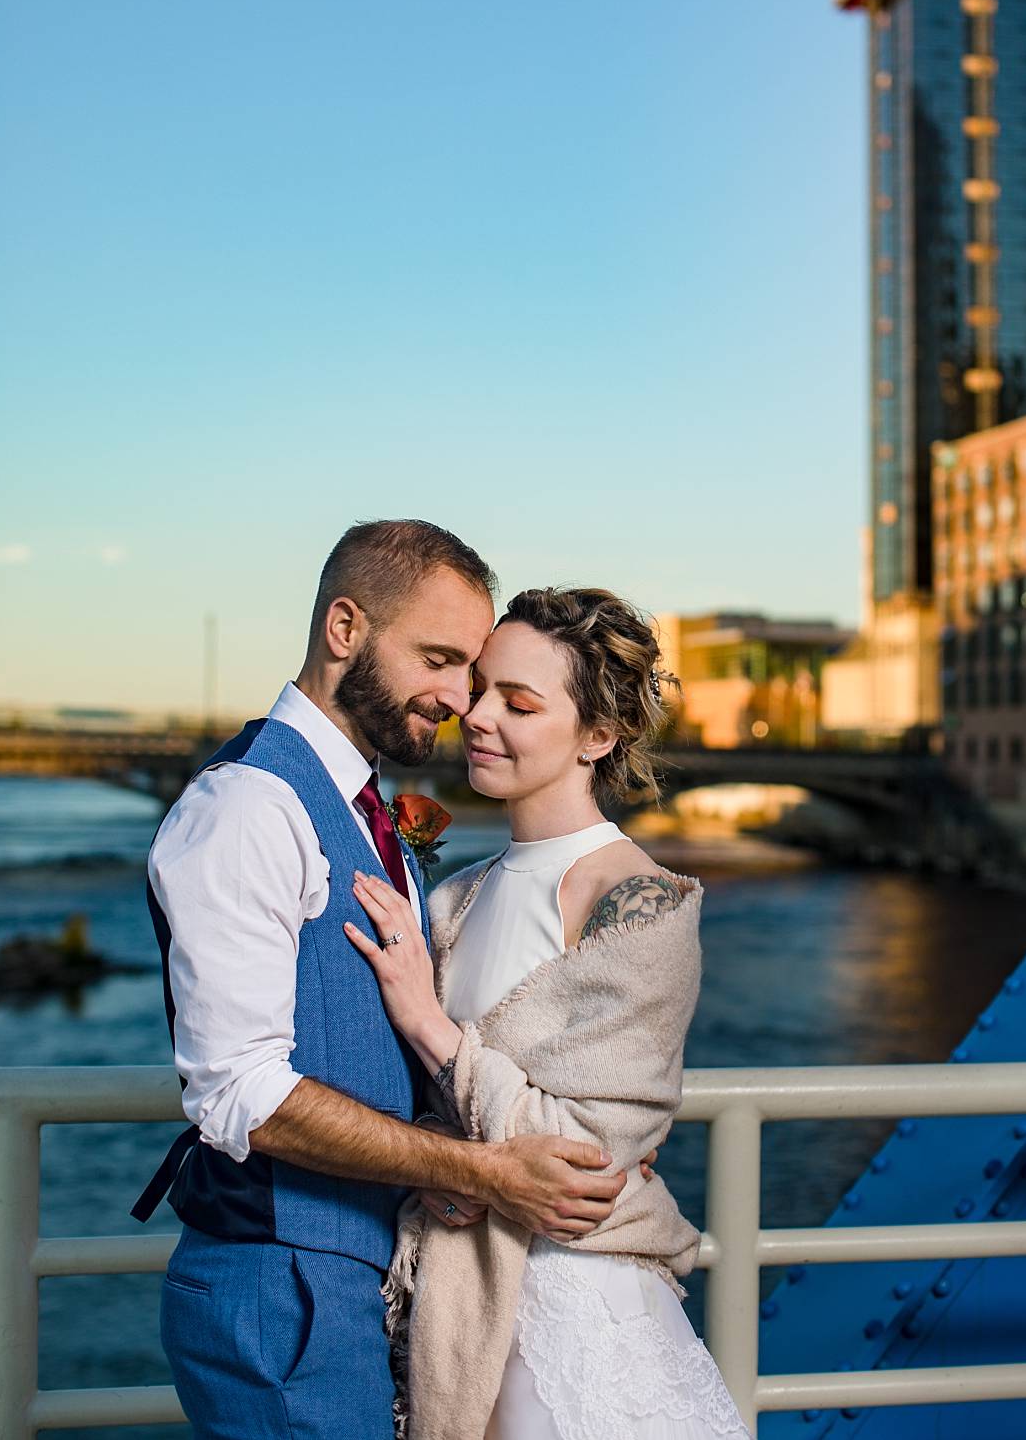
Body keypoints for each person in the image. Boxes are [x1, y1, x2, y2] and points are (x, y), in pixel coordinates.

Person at [133, 523, 628, 1440]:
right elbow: (244, 1093)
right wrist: (481, 1168)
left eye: (469, 673)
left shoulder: (368, 816)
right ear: (346, 627)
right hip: (279, 1301)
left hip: (351, 1288)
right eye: (438, 659)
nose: (456, 699)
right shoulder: (248, 807)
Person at [348, 585, 750, 1440]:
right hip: (461, 1316)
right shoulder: (454, 896)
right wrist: (443, 1162)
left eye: (519, 703)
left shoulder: (637, 899)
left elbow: (591, 1159)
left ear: (598, 736)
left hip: (574, 1314)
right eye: (481, 689)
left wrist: (427, 1022)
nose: (478, 717)